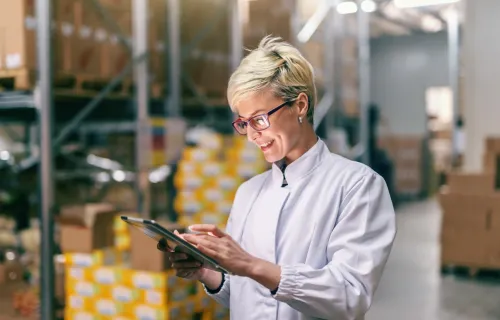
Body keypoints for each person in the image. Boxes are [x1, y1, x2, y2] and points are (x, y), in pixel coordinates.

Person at [158, 36, 396, 320]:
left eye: (259, 119)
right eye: (244, 123)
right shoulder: (249, 192)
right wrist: (208, 273)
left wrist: (249, 264)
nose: (252, 135)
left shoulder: (357, 186)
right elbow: (247, 294)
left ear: (300, 105)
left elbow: (349, 295)